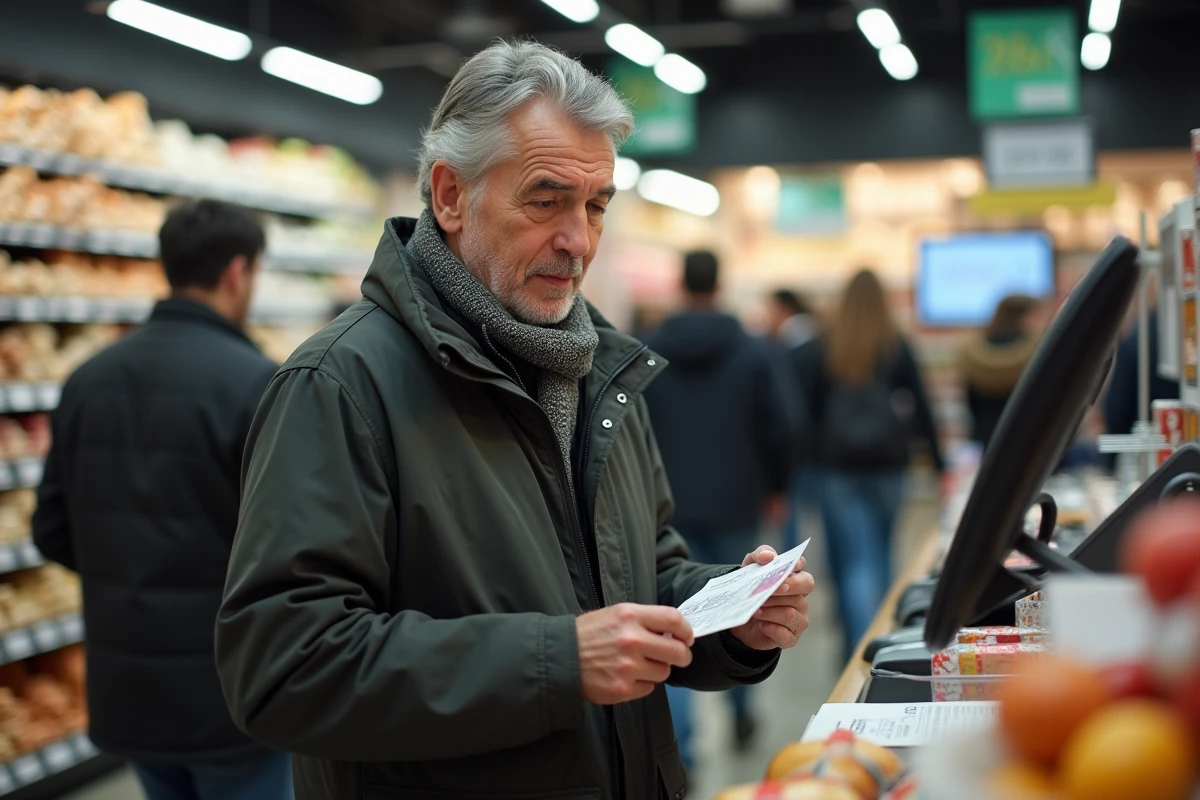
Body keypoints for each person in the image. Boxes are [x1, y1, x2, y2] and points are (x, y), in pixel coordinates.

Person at [214, 41, 814, 800]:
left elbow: (642, 572)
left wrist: (729, 611)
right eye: (545, 200)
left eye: (596, 205)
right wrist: (555, 662)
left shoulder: (602, 372)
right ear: (450, 195)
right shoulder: (339, 385)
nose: (579, 240)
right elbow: (284, 669)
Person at [31, 200, 290, 800]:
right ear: (237, 272)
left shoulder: (86, 381)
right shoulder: (259, 383)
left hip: (128, 692)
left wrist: (128, 569)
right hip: (231, 693)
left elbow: (51, 529)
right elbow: (289, 545)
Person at [643, 252, 801, 760]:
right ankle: (740, 713)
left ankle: (683, 746)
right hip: (738, 498)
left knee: (671, 616)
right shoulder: (752, 350)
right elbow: (785, 424)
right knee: (740, 611)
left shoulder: (647, 350)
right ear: (721, 282)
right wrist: (775, 485)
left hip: (667, 504)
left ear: (679, 283)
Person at [794, 269, 943, 660]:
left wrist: (807, 459)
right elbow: (922, 407)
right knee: (879, 554)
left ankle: (860, 649)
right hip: (889, 464)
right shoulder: (894, 344)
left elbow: (803, 413)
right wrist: (939, 464)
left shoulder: (824, 345)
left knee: (852, 561)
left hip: (837, 467)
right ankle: (880, 642)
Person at [766, 288, 819, 553]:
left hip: (794, 447)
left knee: (791, 515)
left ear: (785, 309)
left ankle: (791, 564)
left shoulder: (782, 348)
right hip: (822, 447)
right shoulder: (822, 341)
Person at [960, 295, 1043, 448]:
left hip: (985, 434)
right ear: (1023, 316)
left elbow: (971, 402)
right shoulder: (1037, 350)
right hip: (1026, 433)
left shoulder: (975, 352)